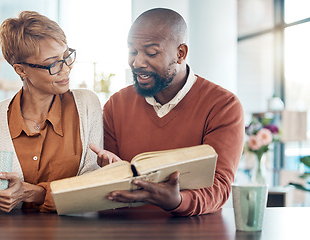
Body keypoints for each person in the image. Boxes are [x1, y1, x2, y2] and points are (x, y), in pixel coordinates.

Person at [0, 11, 102, 212]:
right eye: (53, 64)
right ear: (21, 70)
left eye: (66, 57)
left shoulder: (87, 105)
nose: (66, 69)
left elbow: (94, 186)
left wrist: (34, 193)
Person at [90, 8, 244, 216]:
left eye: (151, 53)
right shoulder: (116, 104)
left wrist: (178, 201)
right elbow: (106, 188)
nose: (137, 63)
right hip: (126, 229)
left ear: (181, 54)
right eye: (133, 51)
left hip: (193, 230)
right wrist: (110, 173)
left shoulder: (223, 106)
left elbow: (220, 186)